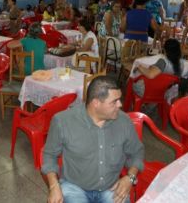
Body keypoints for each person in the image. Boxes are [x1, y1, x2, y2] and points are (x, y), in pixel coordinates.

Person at [42, 75, 144, 203]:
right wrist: (54, 186)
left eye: (120, 100)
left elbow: (137, 152)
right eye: (114, 101)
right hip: (74, 187)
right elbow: (49, 154)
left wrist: (130, 177)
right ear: (96, 103)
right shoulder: (62, 121)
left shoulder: (124, 121)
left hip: (111, 187)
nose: (120, 105)